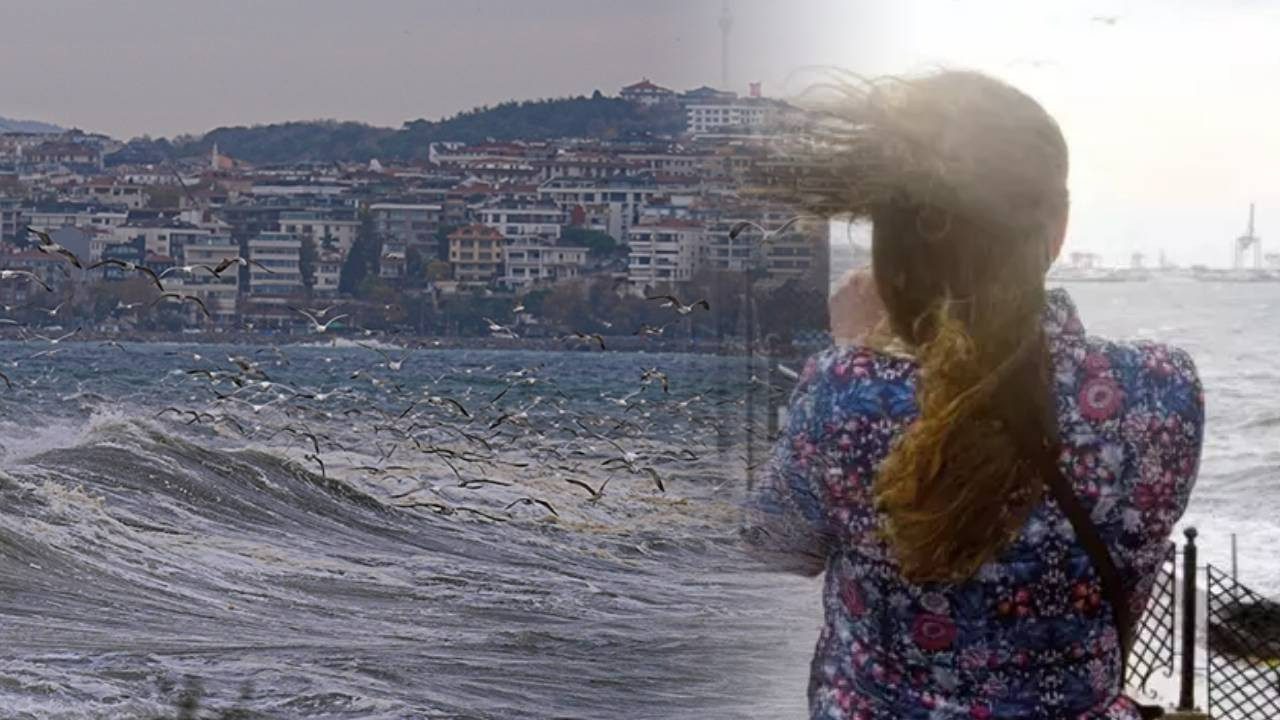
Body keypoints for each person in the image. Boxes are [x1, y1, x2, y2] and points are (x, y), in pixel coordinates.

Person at [741, 71, 1204, 719]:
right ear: (1056, 228)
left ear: (892, 245)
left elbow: (775, 545)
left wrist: (850, 349)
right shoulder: (1163, 392)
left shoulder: (846, 393)